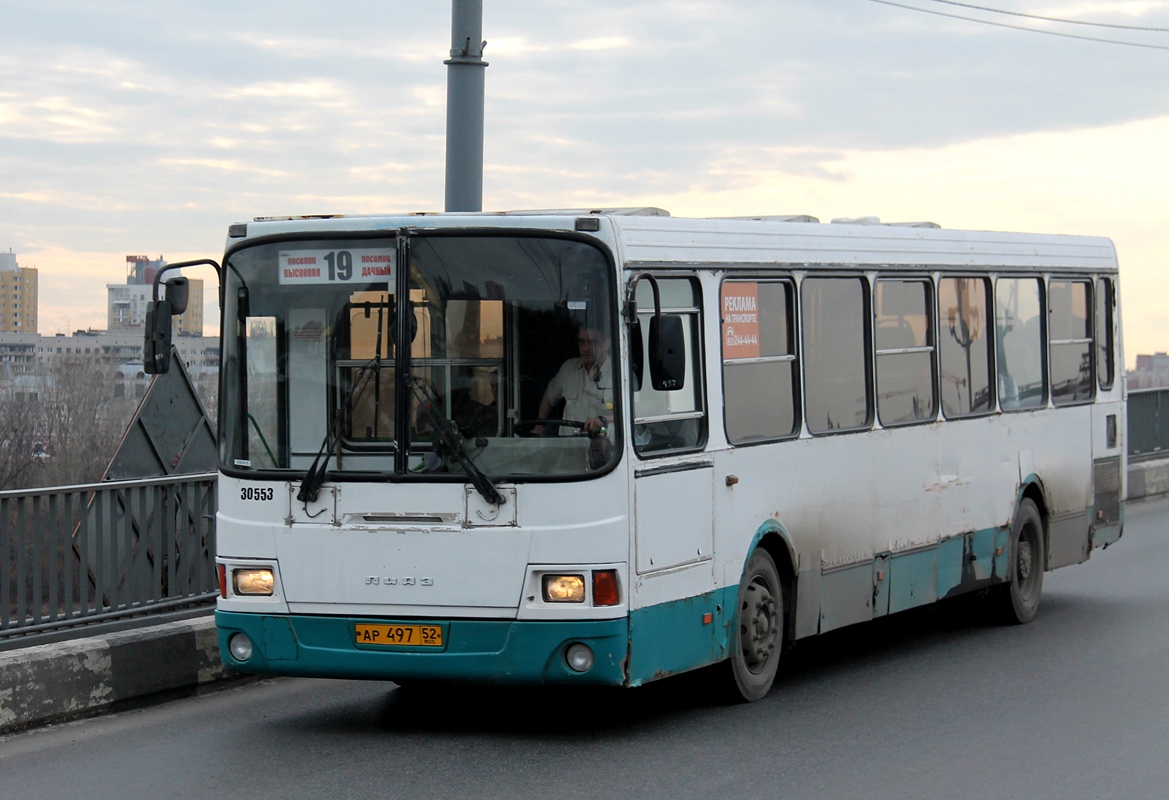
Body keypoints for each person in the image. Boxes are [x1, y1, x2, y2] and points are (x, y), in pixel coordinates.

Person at [536, 325, 613, 435]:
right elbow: (550, 396)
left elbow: (633, 414)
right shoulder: (568, 369)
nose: (586, 348)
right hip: (569, 447)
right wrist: (539, 426)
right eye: (582, 342)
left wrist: (603, 420)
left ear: (606, 344)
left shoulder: (621, 375)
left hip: (606, 447)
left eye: (592, 342)